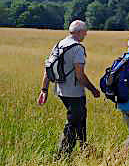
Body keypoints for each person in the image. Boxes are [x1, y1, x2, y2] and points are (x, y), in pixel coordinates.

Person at [37, 20, 100, 157]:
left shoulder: (59, 44)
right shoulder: (78, 48)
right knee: (73, 122)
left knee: (80, 118)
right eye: (84, 32)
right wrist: (93, 90)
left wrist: (44, 89)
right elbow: (80, 75)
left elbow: (48, 68)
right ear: (78, 32)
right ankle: (62, 156)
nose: (86, 34)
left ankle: (84, 149)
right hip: (74, 93)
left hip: (60, 90)